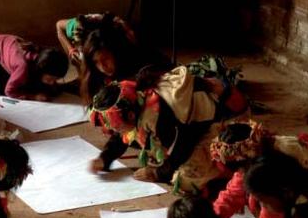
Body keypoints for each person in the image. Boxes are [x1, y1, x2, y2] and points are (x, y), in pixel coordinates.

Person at [89, 64, 246, 183]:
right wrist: (105, 158)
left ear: (130, 115)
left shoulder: (159, 117)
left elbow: (183, 146)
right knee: (145, 141)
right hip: (186, 126)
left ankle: (226, 171)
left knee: (187, 177)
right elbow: (124, 135)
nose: (113, 130)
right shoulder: (138, 101)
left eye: (115, 126)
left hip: (228, 118)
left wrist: (158, 173)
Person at [0, 33, 69, 101]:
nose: (52, 82)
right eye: (51, 79)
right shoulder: (23, 66)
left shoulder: (42, 57)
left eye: (55, 79)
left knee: (29, 82)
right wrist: (33, 97)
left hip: (6, 49)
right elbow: (9, 91)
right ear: (41, 69)